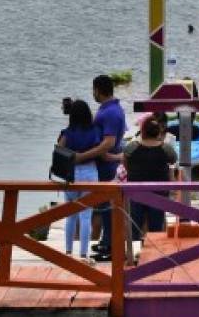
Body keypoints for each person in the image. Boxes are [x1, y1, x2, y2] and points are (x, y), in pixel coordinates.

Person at [72, 75, 126, 263]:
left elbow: (108, 142)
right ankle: (105, 240)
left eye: (93, 89)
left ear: (98, 89)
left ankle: (111, 244)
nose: (92, 93)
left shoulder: (110, 113)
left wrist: (82, 156)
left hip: (106, 167)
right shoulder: (111, 108)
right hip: (106, 163)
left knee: (107, 206)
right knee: (103, 205)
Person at [57, 100, 102, 260]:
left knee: (71, 215)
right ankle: (84, 253)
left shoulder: (67, 133)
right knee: (86, 216)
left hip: (71, 174)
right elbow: (99, 151)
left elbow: (59, 150)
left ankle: (68, 251)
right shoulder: (94, 131)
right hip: (89, 172)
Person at [123, 117, 178, 241]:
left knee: (135, 227)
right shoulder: (166, 148)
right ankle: (154, 255)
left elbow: (125, 162)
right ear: (158, 132)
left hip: (136, 192)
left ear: (143, 131)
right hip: (159, 193)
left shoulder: (132, 147)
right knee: (156, 227)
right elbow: (173, 160)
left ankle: (135, 255)